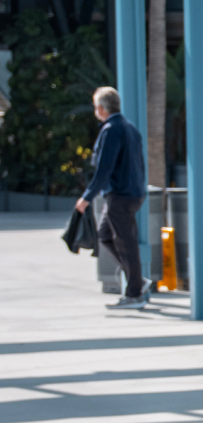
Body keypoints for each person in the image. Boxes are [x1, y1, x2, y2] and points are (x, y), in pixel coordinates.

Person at [75, 86, 148, 310]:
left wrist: (87, 197)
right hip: (132, 192)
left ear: (101, 108)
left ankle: (134, 294)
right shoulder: (129, 127)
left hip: (120, 195)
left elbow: (104, 168)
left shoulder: (111, 130)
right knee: (105, 234)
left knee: (126, 243)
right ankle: (137, 280)